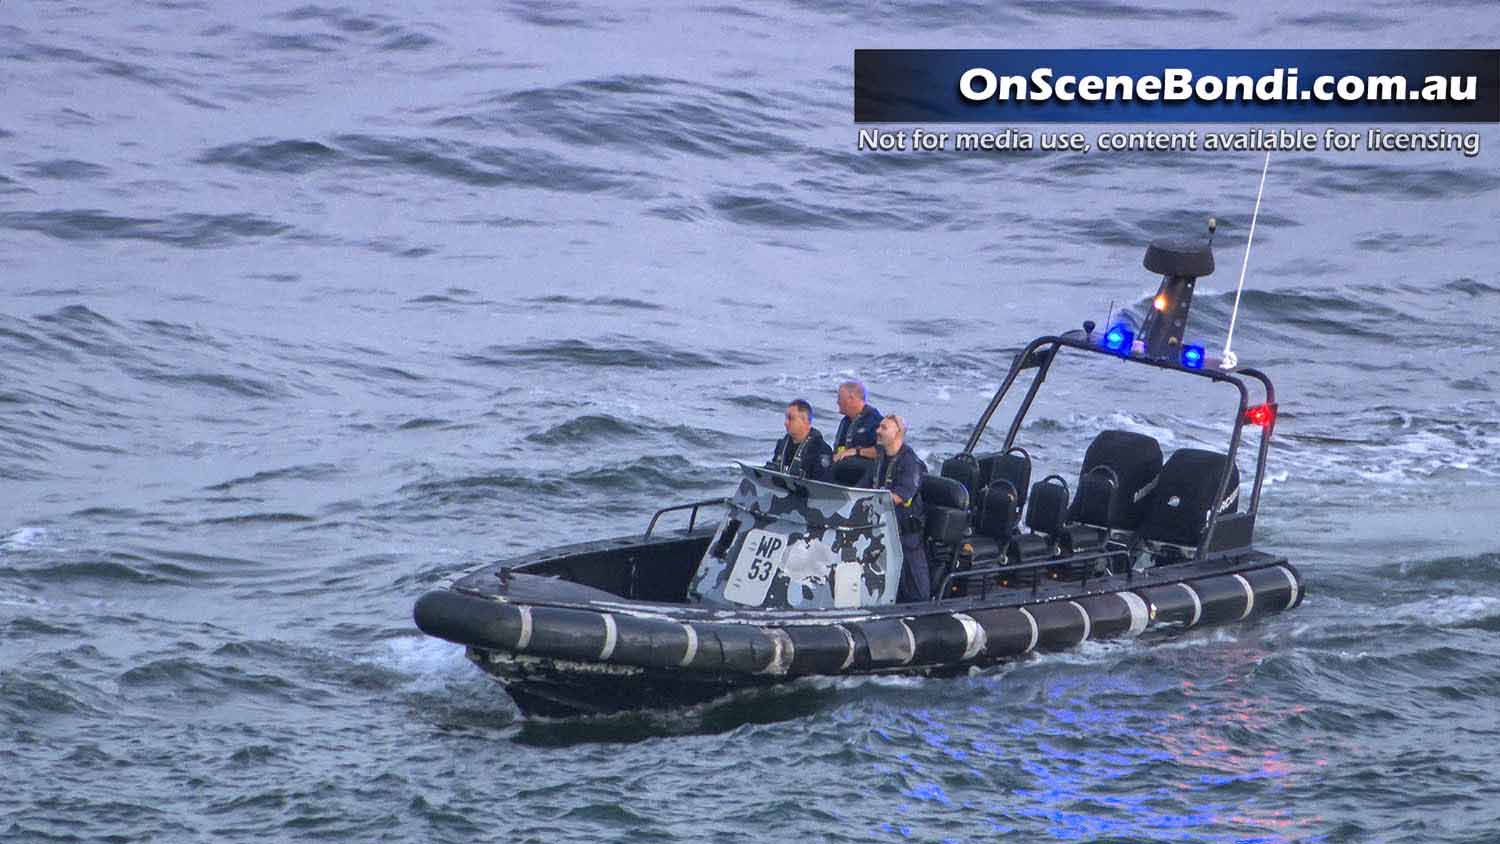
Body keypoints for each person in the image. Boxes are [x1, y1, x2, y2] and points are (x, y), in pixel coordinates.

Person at [868, 415, 930, 602]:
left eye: (884, 428)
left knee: (918, 593)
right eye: (879, 426)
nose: (878, 431)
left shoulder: (911, 463)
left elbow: (901, 495)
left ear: (897, 433)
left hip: (905, 535)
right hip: (881, 529)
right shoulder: (880, 459)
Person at [767, 399, 833, 482]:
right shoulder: (782, 444)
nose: (786, 423)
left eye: (791, 418)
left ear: (805, 421)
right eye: (786, 418)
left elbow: (823, 485)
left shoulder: (821, 449)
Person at [831, 380, 882, 463]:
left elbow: (884, 452)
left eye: (840, 398)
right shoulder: (845, 421)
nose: (837, 402)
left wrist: (856, 451)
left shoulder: (875, 420)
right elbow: (840, 448)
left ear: (851, 398)